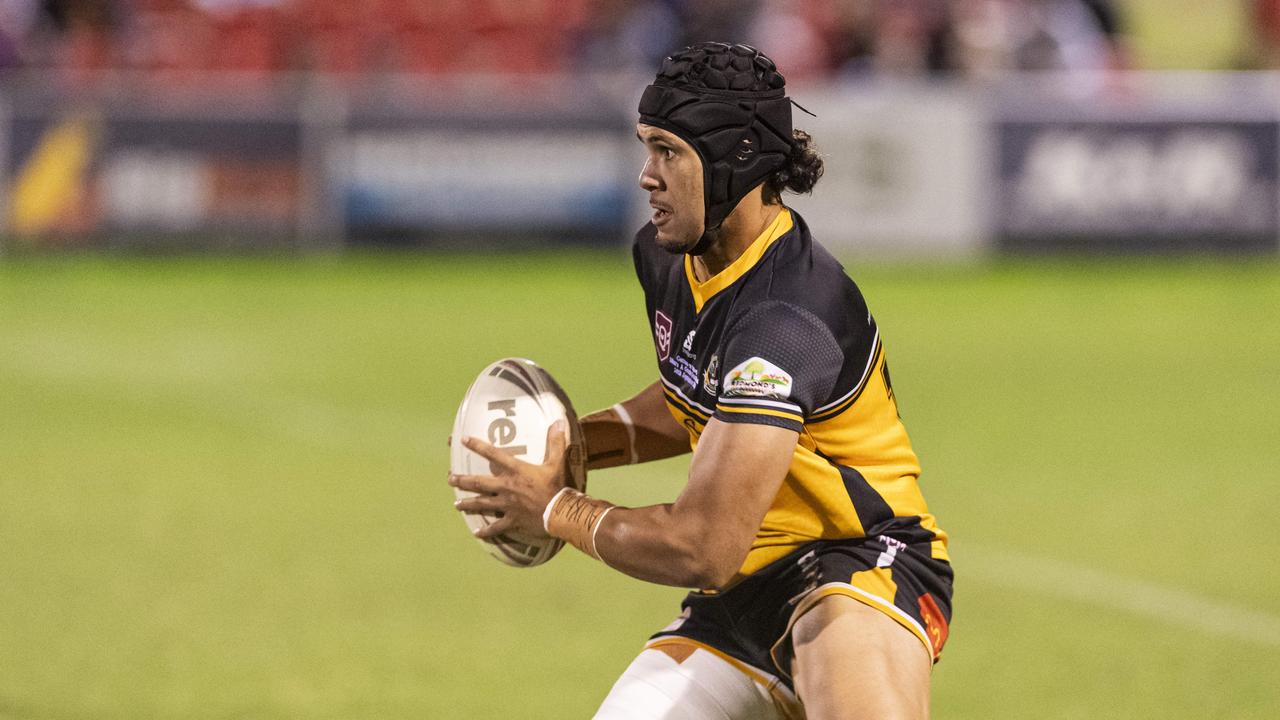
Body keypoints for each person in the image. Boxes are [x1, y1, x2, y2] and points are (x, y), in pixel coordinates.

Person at [449, 42, 953, 720]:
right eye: (645, 148)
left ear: (734, 159)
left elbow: (702, 546)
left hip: (860, 562)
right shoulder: (666, 260)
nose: (645, 176)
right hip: (743, 597)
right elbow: (701, 392)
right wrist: (578, 445)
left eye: (668, 151)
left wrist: (554, 509)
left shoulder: (785, 319)